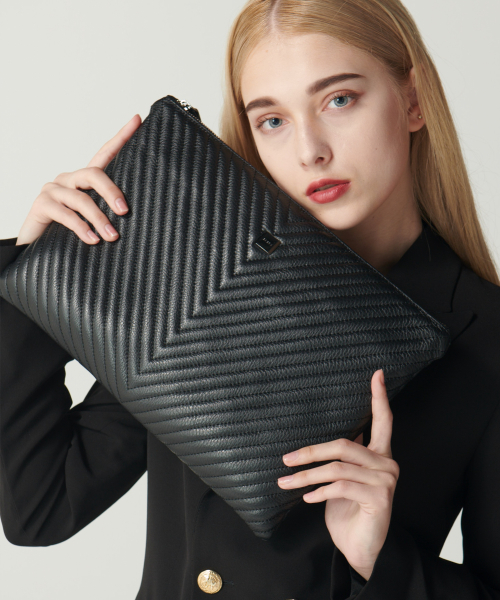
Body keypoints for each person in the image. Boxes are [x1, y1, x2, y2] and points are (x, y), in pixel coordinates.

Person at [1, 0, 499, 598]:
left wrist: (379, 560)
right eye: (273, 120)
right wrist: (31, 272)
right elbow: (41, 507)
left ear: (413, 100)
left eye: (339, 99)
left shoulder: (487, 337)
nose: (310, 150)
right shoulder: (199, 270)